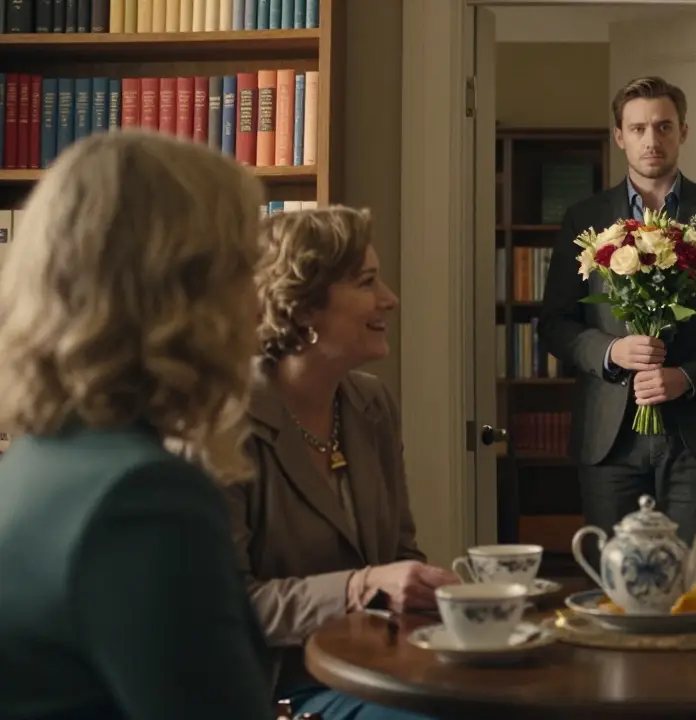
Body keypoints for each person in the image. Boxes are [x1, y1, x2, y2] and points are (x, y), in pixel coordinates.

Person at [0, 132, 273, 718]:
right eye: (245, 268)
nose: (259, 305)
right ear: (177, 292)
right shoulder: (144, 501)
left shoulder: (30, 462)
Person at [226, 207, 458, 719]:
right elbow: (225, 606)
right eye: (367, 282)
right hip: (276, 690)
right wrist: (359, 587)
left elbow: (400, 550)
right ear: (304, 308)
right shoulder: (224, 422)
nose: (390, 299)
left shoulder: (371, 404)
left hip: (381, 665)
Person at [538, 76, 696, 582]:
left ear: (683, 131)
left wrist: (687, 376)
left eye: (663, 126)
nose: (651, 139)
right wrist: (611, 350)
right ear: (619, 136)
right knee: (614, 588)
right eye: (638, 127)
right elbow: (554, 324)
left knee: (688, 584)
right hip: (609, 438)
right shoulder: (586, 216)